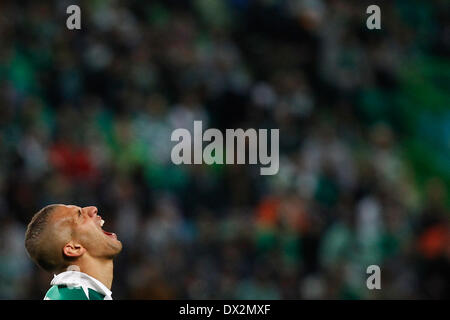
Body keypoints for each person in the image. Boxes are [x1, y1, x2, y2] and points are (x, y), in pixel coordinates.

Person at [25, 204, 122, 300]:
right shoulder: (72, 296)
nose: (93, 209)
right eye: (80, 215)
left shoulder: (74, 294)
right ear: (73, 248)